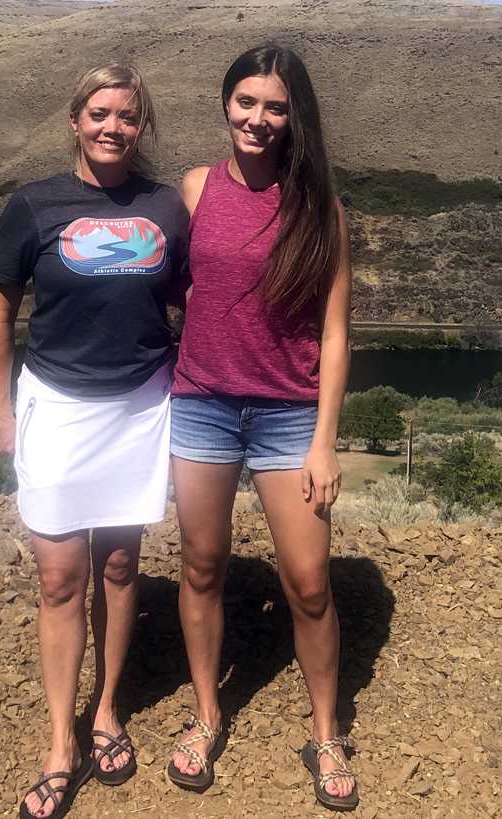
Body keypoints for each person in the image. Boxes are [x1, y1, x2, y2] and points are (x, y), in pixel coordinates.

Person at [0, 64, 188, 819]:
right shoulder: (33, 205)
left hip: (139, 407)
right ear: (75, 120)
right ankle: (59, 742)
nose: (113, 127)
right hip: (57, 410)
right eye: (99, 113)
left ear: (141, 127)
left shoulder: (165, 207)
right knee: (61, 577)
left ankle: (106, 710)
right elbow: (0, 316)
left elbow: (192, 301)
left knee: (123, 562)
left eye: (128, 117)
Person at [165, 45, 358, 811]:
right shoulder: (193, 188)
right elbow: (174, 288)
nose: (258, 117)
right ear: (226, 103)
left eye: (274, 106)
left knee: (309, 583)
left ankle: (326, 731)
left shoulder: (323, 211)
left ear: (293, 117)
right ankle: (208, 713)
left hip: (288, 415)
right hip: (202, 403)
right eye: (246, 101)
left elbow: (336, 332)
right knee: (201, 565)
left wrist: (325, 439)